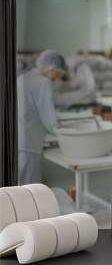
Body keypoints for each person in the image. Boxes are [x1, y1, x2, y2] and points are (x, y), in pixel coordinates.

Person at [18, 50, 67, 185]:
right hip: (29, 146)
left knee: (14, 190)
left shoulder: (22, 78)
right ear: (51, 68)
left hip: (15, 142)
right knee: (30, 191)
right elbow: (49, 119)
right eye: (58, 73)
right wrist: (63, 131)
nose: (56, 77)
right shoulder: (43, 83)